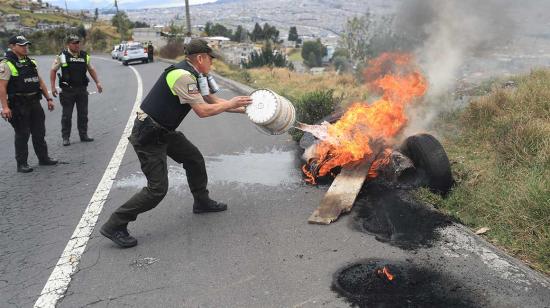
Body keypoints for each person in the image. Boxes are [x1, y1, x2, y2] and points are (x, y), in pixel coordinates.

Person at [100, 38, 252, 248]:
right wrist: (232, 103)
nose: (212, 63)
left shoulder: (195, 75)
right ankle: (114, 224)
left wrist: (249, 111)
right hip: (149, 134)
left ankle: (201, 201)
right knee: (157, 189)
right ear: (200, 58)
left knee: (193, 159)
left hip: (164, 130)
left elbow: (213, 102)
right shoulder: (182, 76)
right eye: (210, 59)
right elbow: (203, 111)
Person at [0, 35, 58, 173]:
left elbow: (40, 81)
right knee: (22, 134)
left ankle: (43, 158)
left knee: (39, 132)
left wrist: (48, 98)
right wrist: (5, 107)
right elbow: (1, 87)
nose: (25, 47)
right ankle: (22, 164)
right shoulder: (6, 64)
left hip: (34, 102)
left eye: (26, 45)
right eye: (21, 45)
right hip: (18, 104)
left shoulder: (31, 62)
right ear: (12, 46)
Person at [50, 34, 103, 146]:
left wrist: (97, 82)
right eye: (74, 43)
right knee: (67, 115)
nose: (77, 45)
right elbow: (53, 70)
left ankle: (83, 135)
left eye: (78, 42)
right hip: (67, 91)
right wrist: (53, 87)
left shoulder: (84, 55)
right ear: (68, 44)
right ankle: (66, 137)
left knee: (83, 114)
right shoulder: (62, 56)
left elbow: (91, 69)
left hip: (82, 90)